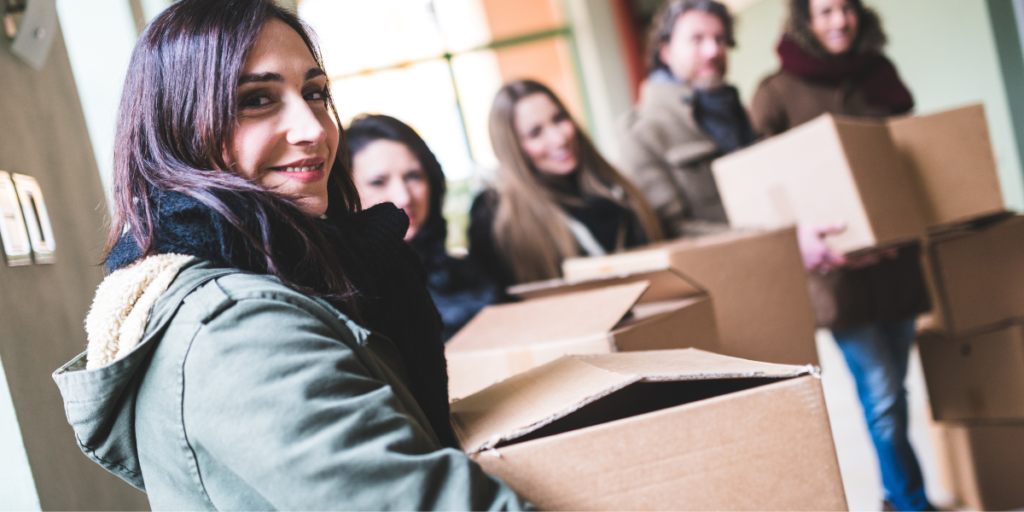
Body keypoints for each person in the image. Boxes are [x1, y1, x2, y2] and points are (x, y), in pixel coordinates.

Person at [50, 1, 530, 509]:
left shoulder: (302, 275)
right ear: (179, 128)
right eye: (257, 99)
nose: (315, 129)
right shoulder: (236, 328)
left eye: (315, 93)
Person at [750, 1, 933, 511]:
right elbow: (763, 190)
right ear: (805, 21)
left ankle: (895, 496)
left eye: (846, 8)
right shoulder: (775, 92)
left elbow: (912, 156)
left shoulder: (881, 74)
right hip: (839, 278)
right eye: (825, 11)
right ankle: (911, 502)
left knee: (896, 390)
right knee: (882, 398)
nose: (838, 21)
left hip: (897, 264)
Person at [469, 80, 662, 287]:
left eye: (559, 118)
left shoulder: (614, 189)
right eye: (535, 132)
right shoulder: (496, 216)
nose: (558, 138)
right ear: (513, 149)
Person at [347, 114, 502, 341]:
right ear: (344, 194)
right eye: (378, 182)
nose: (403, 198)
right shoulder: (347, 293)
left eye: (413, 176)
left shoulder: (464, 268)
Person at [618, 0, 754, 239]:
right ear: (666, 51)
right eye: (697, 39)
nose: (713, 51)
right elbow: (670, 230)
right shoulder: (641, 132)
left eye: (720, 39)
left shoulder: (741, 112)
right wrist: (765, 237)